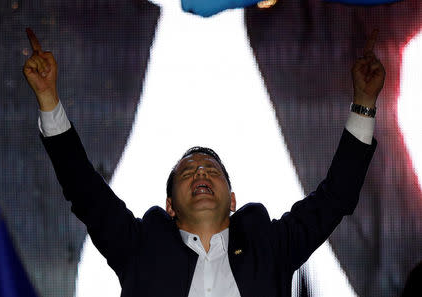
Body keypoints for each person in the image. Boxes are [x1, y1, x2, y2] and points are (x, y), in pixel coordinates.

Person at [23, 26, 384, 297]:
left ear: (232, 200)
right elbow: (85, 191)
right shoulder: (141, 246)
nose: (201, 172)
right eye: (188, 171)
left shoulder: (269, 244)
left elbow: (335, 196)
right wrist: (48, 98)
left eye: (212, 170)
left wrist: (365, 102)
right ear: (169, 206)